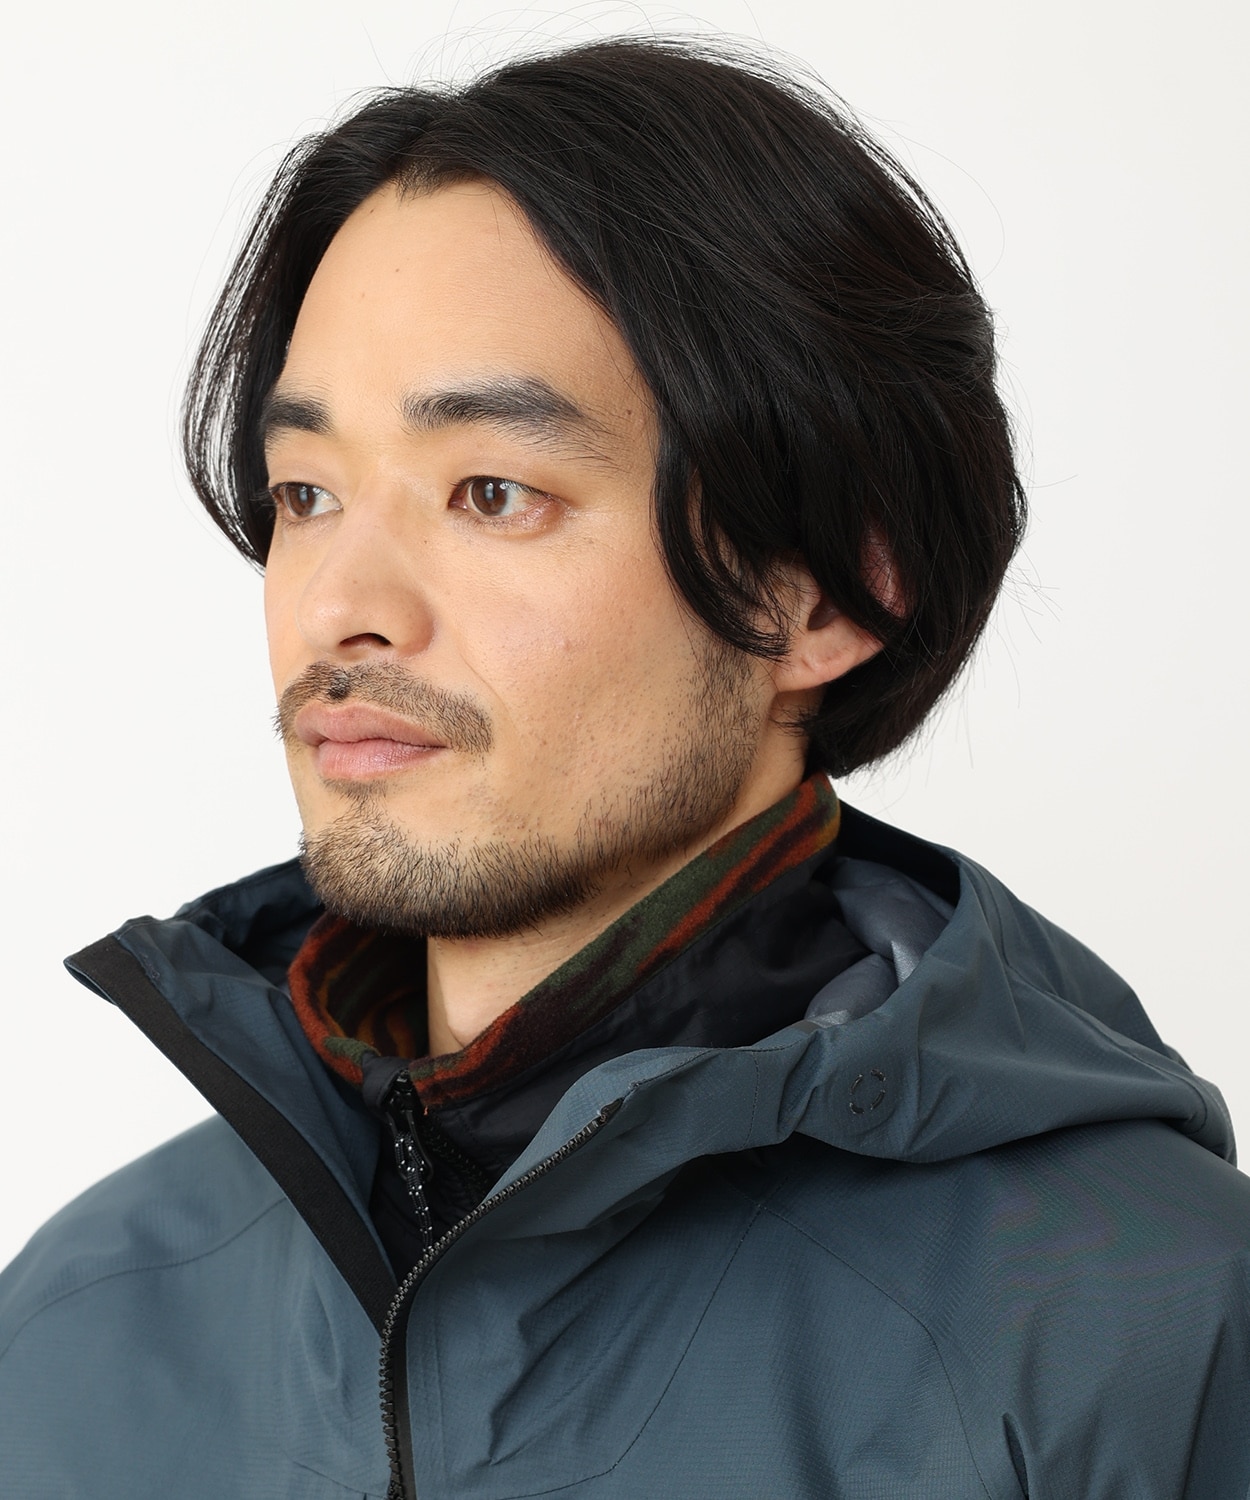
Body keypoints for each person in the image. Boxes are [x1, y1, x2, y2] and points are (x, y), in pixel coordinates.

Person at [1, 33, 1246, 1499]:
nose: (338, 607)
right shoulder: (75, 1329)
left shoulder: (1143, 1334)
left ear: (823, 594)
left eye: (491, 492)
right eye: (306, 493)